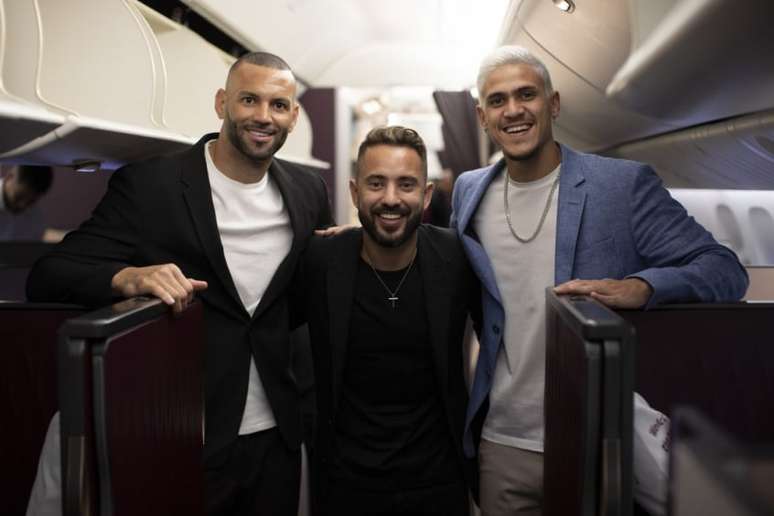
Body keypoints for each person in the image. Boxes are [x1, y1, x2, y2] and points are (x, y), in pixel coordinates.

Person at [26, 51, 332, 515]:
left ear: (294, 116)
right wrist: (127, 276)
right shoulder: (152, 186)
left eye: (278, 105)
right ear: (221, 103)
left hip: (277, 435)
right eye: (249, 100)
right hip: (188, 429)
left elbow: (301, 301)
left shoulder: (308, 191)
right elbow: (49, 275)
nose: (263, 116)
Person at [450, 45, 749, 515]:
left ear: (553, 103)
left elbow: (723, 269)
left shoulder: (621, 186)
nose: (513, 111)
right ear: (483, 116)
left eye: (526, 94)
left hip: (594, 437)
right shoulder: (471, 191)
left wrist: (644, 286)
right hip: (503, 441)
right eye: (498, 100)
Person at [299, 126, 480, 515]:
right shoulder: (320, 260)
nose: (391, 199)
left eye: (406, 184)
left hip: (438, 480)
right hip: (345, 483)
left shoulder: (457, 258)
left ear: (427, 195)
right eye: (376, 184)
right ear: (354, 192)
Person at [0, 164, 53, 241]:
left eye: (31, 201)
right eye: (19, 197)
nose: (22, 206)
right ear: (9, 177)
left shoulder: (35, 215)